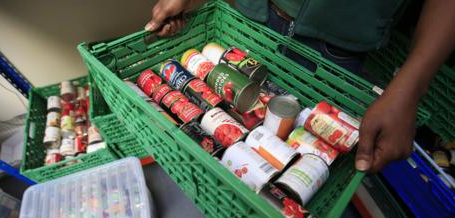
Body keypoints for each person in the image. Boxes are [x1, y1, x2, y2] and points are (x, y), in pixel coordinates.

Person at [144, 0, 455, 173]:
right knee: (235, 129)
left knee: (309, 157)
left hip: (337, 47)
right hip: (249, 15)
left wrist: (408, 91)